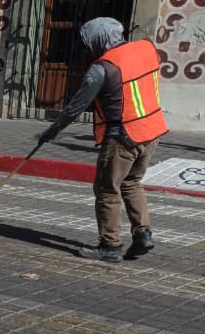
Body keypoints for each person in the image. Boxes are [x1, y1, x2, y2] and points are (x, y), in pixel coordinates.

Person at [37, 17, 167, 263]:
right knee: (132, 183)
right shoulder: (146, 50)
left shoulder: (102, 68)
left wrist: (52, 131)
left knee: (107, 189)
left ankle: (110, 246)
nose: (87, 49)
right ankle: (143, 233)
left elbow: (75, 107)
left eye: (88, 43)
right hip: (152, 132)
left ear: (99, 40)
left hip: (123, 138)